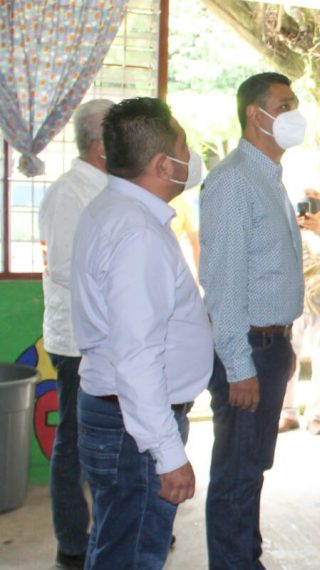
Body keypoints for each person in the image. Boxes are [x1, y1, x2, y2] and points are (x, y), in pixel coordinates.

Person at [70, 97, 211, 569]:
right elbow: (137, 357)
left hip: (121, 416)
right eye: (184, 148)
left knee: (113, 546)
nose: (190, 159)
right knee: (131, 555)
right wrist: (167, 453)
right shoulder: (138, 236)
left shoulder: (111, 210)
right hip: (136, 427)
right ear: (161, 164)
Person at [199, 71, 306, 568]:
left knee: (253, 467)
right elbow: (222, 285)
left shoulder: (268, 177)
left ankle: (246, 558)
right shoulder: (233, 182)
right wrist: (239, 364)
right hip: (247, 348)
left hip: (270, 345)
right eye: (284, 105)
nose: (294, 114)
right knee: (238, 471)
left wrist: (284, 343)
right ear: (254, 114)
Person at [38, 98, 112, 570]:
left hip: (113, 338)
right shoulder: (68, 193)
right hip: (77, 342)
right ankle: (73, 540)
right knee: (75, 443)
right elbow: (65, 269)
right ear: (101, 144)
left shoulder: (114, 187)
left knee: (115, 440)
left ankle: (114, 531)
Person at [280, 188, 320, 435]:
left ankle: (316, 415)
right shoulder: (288, 223)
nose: (308, 203)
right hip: (293, 298)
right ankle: (287, 413)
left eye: (314, 196)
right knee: (289, 355)